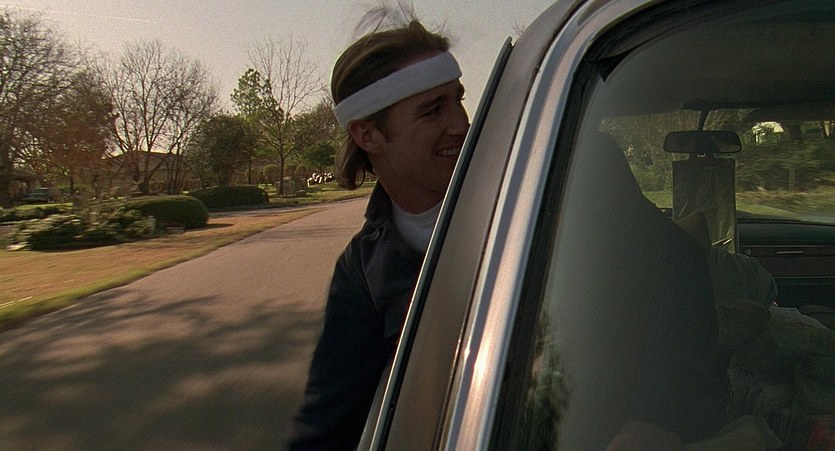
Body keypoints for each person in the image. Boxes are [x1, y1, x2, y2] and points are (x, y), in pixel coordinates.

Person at [286, 11, 469, 451]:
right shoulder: (363, 273)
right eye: (432, 109)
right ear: (368, 135)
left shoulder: (545, 180)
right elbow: (327, 424)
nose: (461, 123)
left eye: (457, 99)